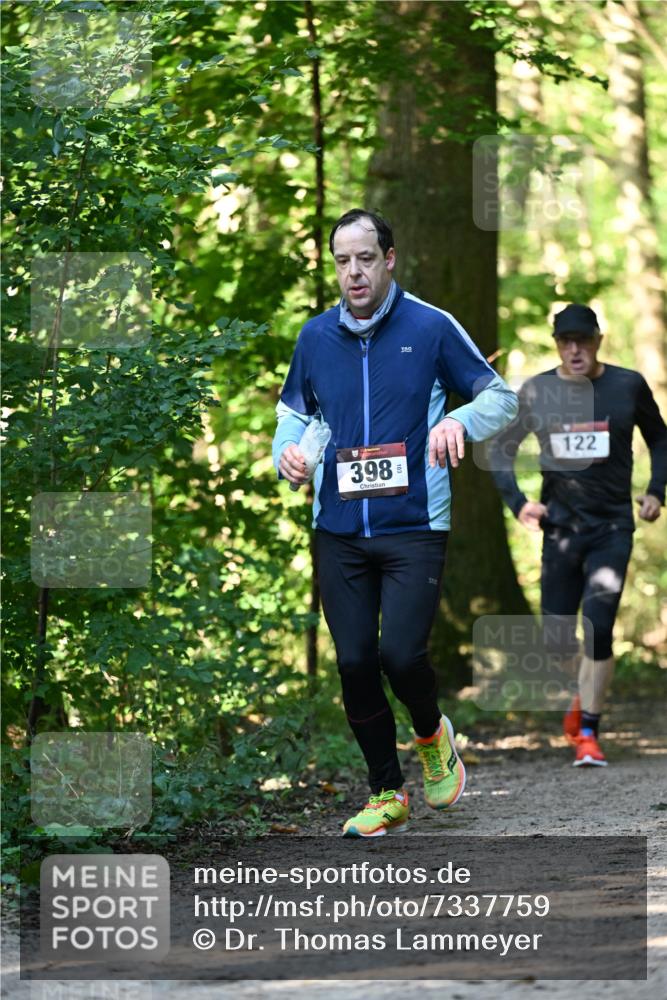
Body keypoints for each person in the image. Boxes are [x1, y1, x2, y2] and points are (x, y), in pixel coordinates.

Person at [272, 209, 518, 836]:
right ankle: (387, 791)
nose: (352, 272)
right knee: (354, 662)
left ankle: (434, 735)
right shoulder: (315, 338)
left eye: (363, 258)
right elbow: (292, 419)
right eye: (341, 261)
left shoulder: (430, 326)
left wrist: (458, 422)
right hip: (339, 530)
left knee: (401, 656)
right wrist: (289, 457)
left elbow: (500, 395)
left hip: (414, 525)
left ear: (389, 259)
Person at [490, 303, 667, 767]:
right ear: (556, 345)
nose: (574, 350)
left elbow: (660, 438)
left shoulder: (627, 385)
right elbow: (502, 450)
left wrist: (656, 491)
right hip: (560, 532)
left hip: (611, 527)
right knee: (556, 640)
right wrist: (520, 502)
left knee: (599, 624)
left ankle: (589, 730)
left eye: (582, 340)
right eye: (565, 341)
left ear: (598, 341)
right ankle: (582, 697)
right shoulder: (538, 391)